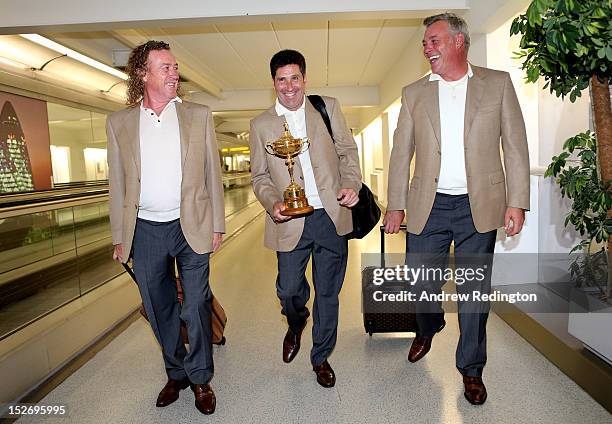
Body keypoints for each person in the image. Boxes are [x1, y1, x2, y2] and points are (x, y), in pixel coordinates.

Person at [384, 13, 530, 405]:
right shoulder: (414, 93)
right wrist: (395, 205)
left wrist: (517, 200)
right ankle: (428, 325)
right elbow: (401, 154)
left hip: (477, 206)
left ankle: (471, 369)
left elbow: (514, 145)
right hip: (427, 207)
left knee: (474, 292)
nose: (427, 48)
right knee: (419, 281)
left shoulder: (496, 84)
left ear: (459, 42)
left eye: (435, 41)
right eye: (425, 43)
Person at [107, 40, 225, 415]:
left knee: (195, 304)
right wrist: (120, 237)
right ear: (143, 74)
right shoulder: (119, 122)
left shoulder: (198, 115)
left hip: (190, 223)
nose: (174, 74)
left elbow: (212, 173)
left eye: (175, 68)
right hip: (145, 230)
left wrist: (217, 225)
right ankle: (176, 373)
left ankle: (201, 377)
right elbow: (118, 184)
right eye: (166, 68)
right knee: (159, 308)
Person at [250, 49, 362, 388]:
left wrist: (351, 184)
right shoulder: (261, 125)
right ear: (273, 82)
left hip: (330, 216)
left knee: (328, 293)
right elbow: (259, 177)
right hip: (289, 221)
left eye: (294, 78)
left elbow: (347, 152)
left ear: (304, 79)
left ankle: (321, 357)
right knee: (289, 289)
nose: (288, 86)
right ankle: (296, 323)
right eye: (281, 80)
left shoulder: (327, 107)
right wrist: (272, 204)